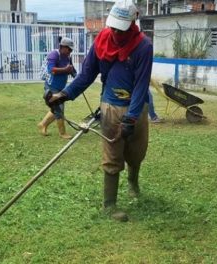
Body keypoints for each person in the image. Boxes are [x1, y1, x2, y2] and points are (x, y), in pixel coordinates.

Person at [47, 0, 152, 222]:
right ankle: (110, 204)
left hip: (136, 105)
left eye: (120, 28)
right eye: (112, 26)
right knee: (112, 154)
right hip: (110, 105)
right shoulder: (101, 42)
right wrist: (63, 95)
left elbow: (142, 85)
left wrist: (131, 119)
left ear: (133, 21)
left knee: (136, 152)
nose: (115, 32)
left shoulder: (143, 46)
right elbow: (86, 75)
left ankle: (133, 182)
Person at [37, 37, 76, 139]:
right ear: (63, 47)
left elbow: (71, 69)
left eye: (71, 50)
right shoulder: (54, 55)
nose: (70, 51)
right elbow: (52, 70)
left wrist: (75, 75)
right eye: (69, 49)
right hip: (51, 87)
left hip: (60, 88)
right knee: (59, 109)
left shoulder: (68, 57)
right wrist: (65, 69)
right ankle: (62, 133)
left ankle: (43, 124)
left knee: (56, 109)